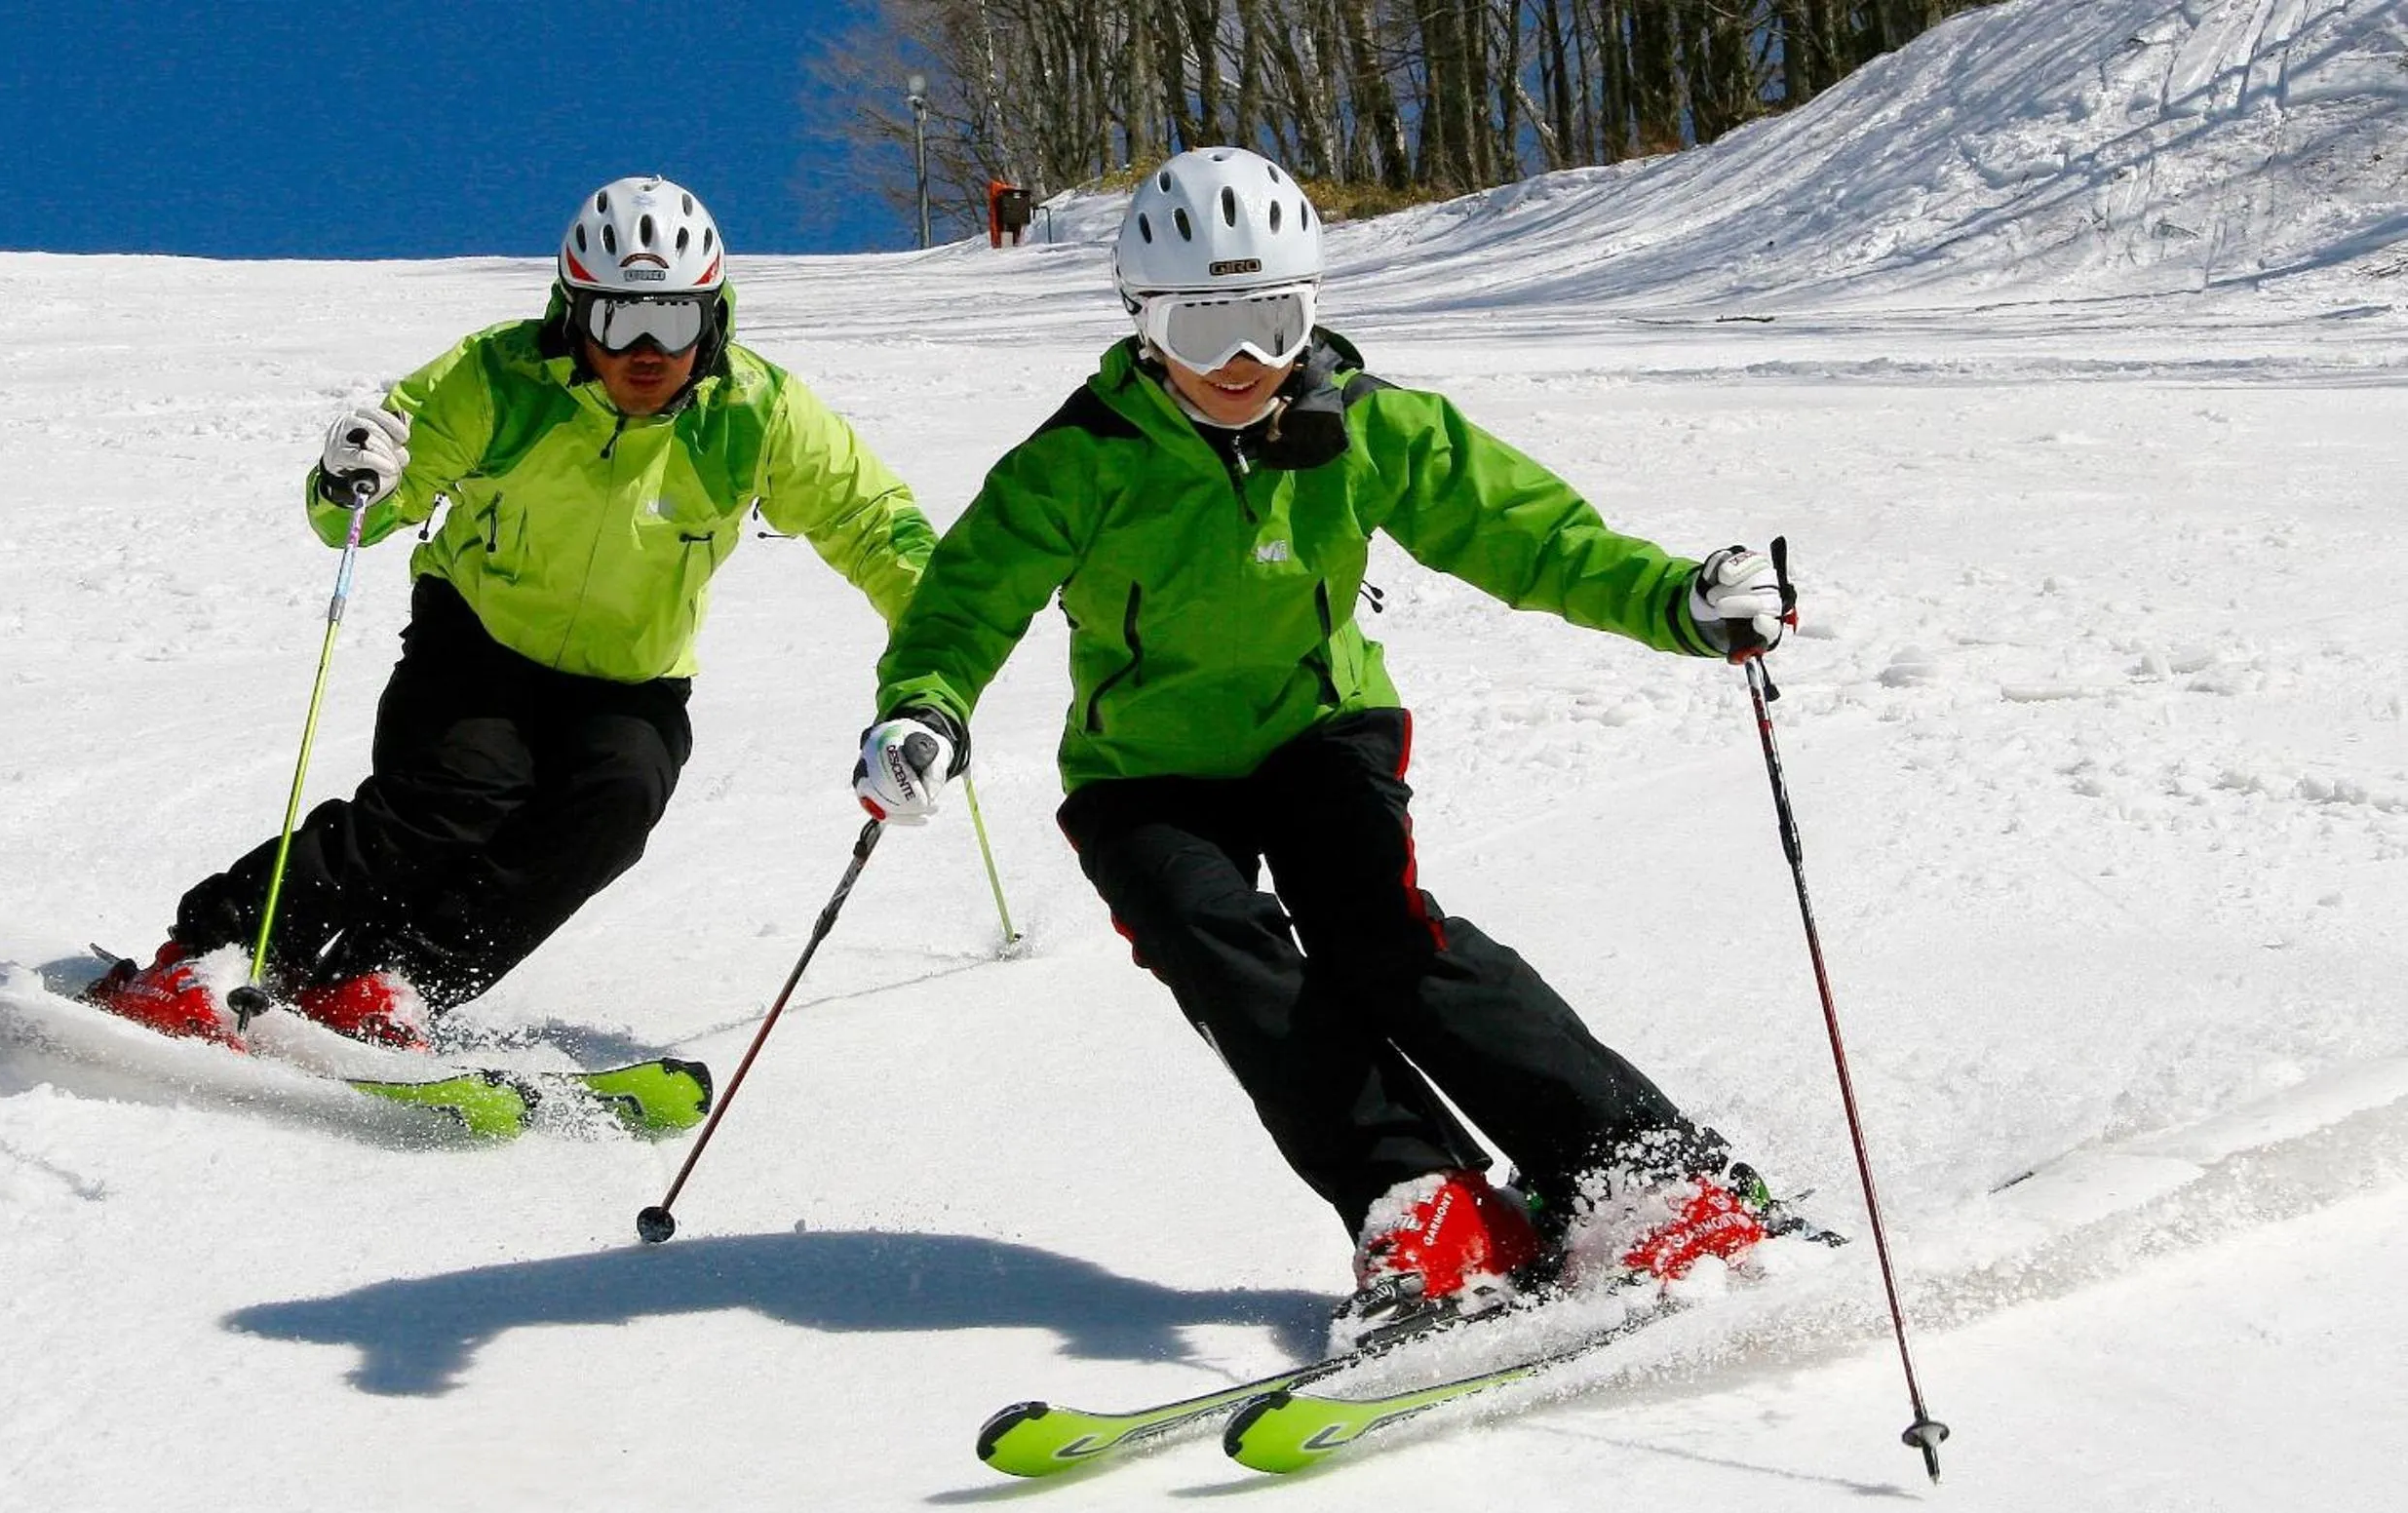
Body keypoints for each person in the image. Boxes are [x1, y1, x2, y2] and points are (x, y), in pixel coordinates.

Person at [853, 148, 1801, 1339]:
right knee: (1226, 960)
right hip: (1145, 770)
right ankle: (1431, 1203)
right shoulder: (1079, 459)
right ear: (1144, 325)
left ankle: (1643, 1174)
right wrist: (925, 706)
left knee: (1383, 939)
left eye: (1271, 318)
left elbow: (1533, 538)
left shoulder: (1370, 427)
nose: (1244, 361)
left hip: (1321, 729)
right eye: (1207, 329)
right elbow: (965, 601)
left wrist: (1677, 601)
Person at [89, 175, 933, 1051]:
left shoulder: (759, 413)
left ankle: (391, 981)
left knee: (617, 802)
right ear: (574, 318)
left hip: (629, 677)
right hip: (478, 642)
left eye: (674, 324)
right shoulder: (497, 377)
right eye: (618, 323)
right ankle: (211, 952)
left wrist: (938, 641)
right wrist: (355, 478)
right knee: (455, 796)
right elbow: (371, 498)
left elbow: (871, 518)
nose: (647, 351)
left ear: (712, 320)